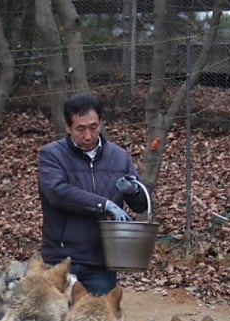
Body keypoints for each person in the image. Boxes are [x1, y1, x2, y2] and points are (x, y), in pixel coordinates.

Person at [38, 93, 149, 296]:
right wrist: (104, 205)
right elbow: (57, 192)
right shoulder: (52, 155)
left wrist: (134, 192)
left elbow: (141, 205)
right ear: (68, 127)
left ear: (101, 123)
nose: (88, 136)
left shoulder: (119, 157)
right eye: (80, 129)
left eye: (93, 127)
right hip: (61, 260)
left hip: (101, 261)